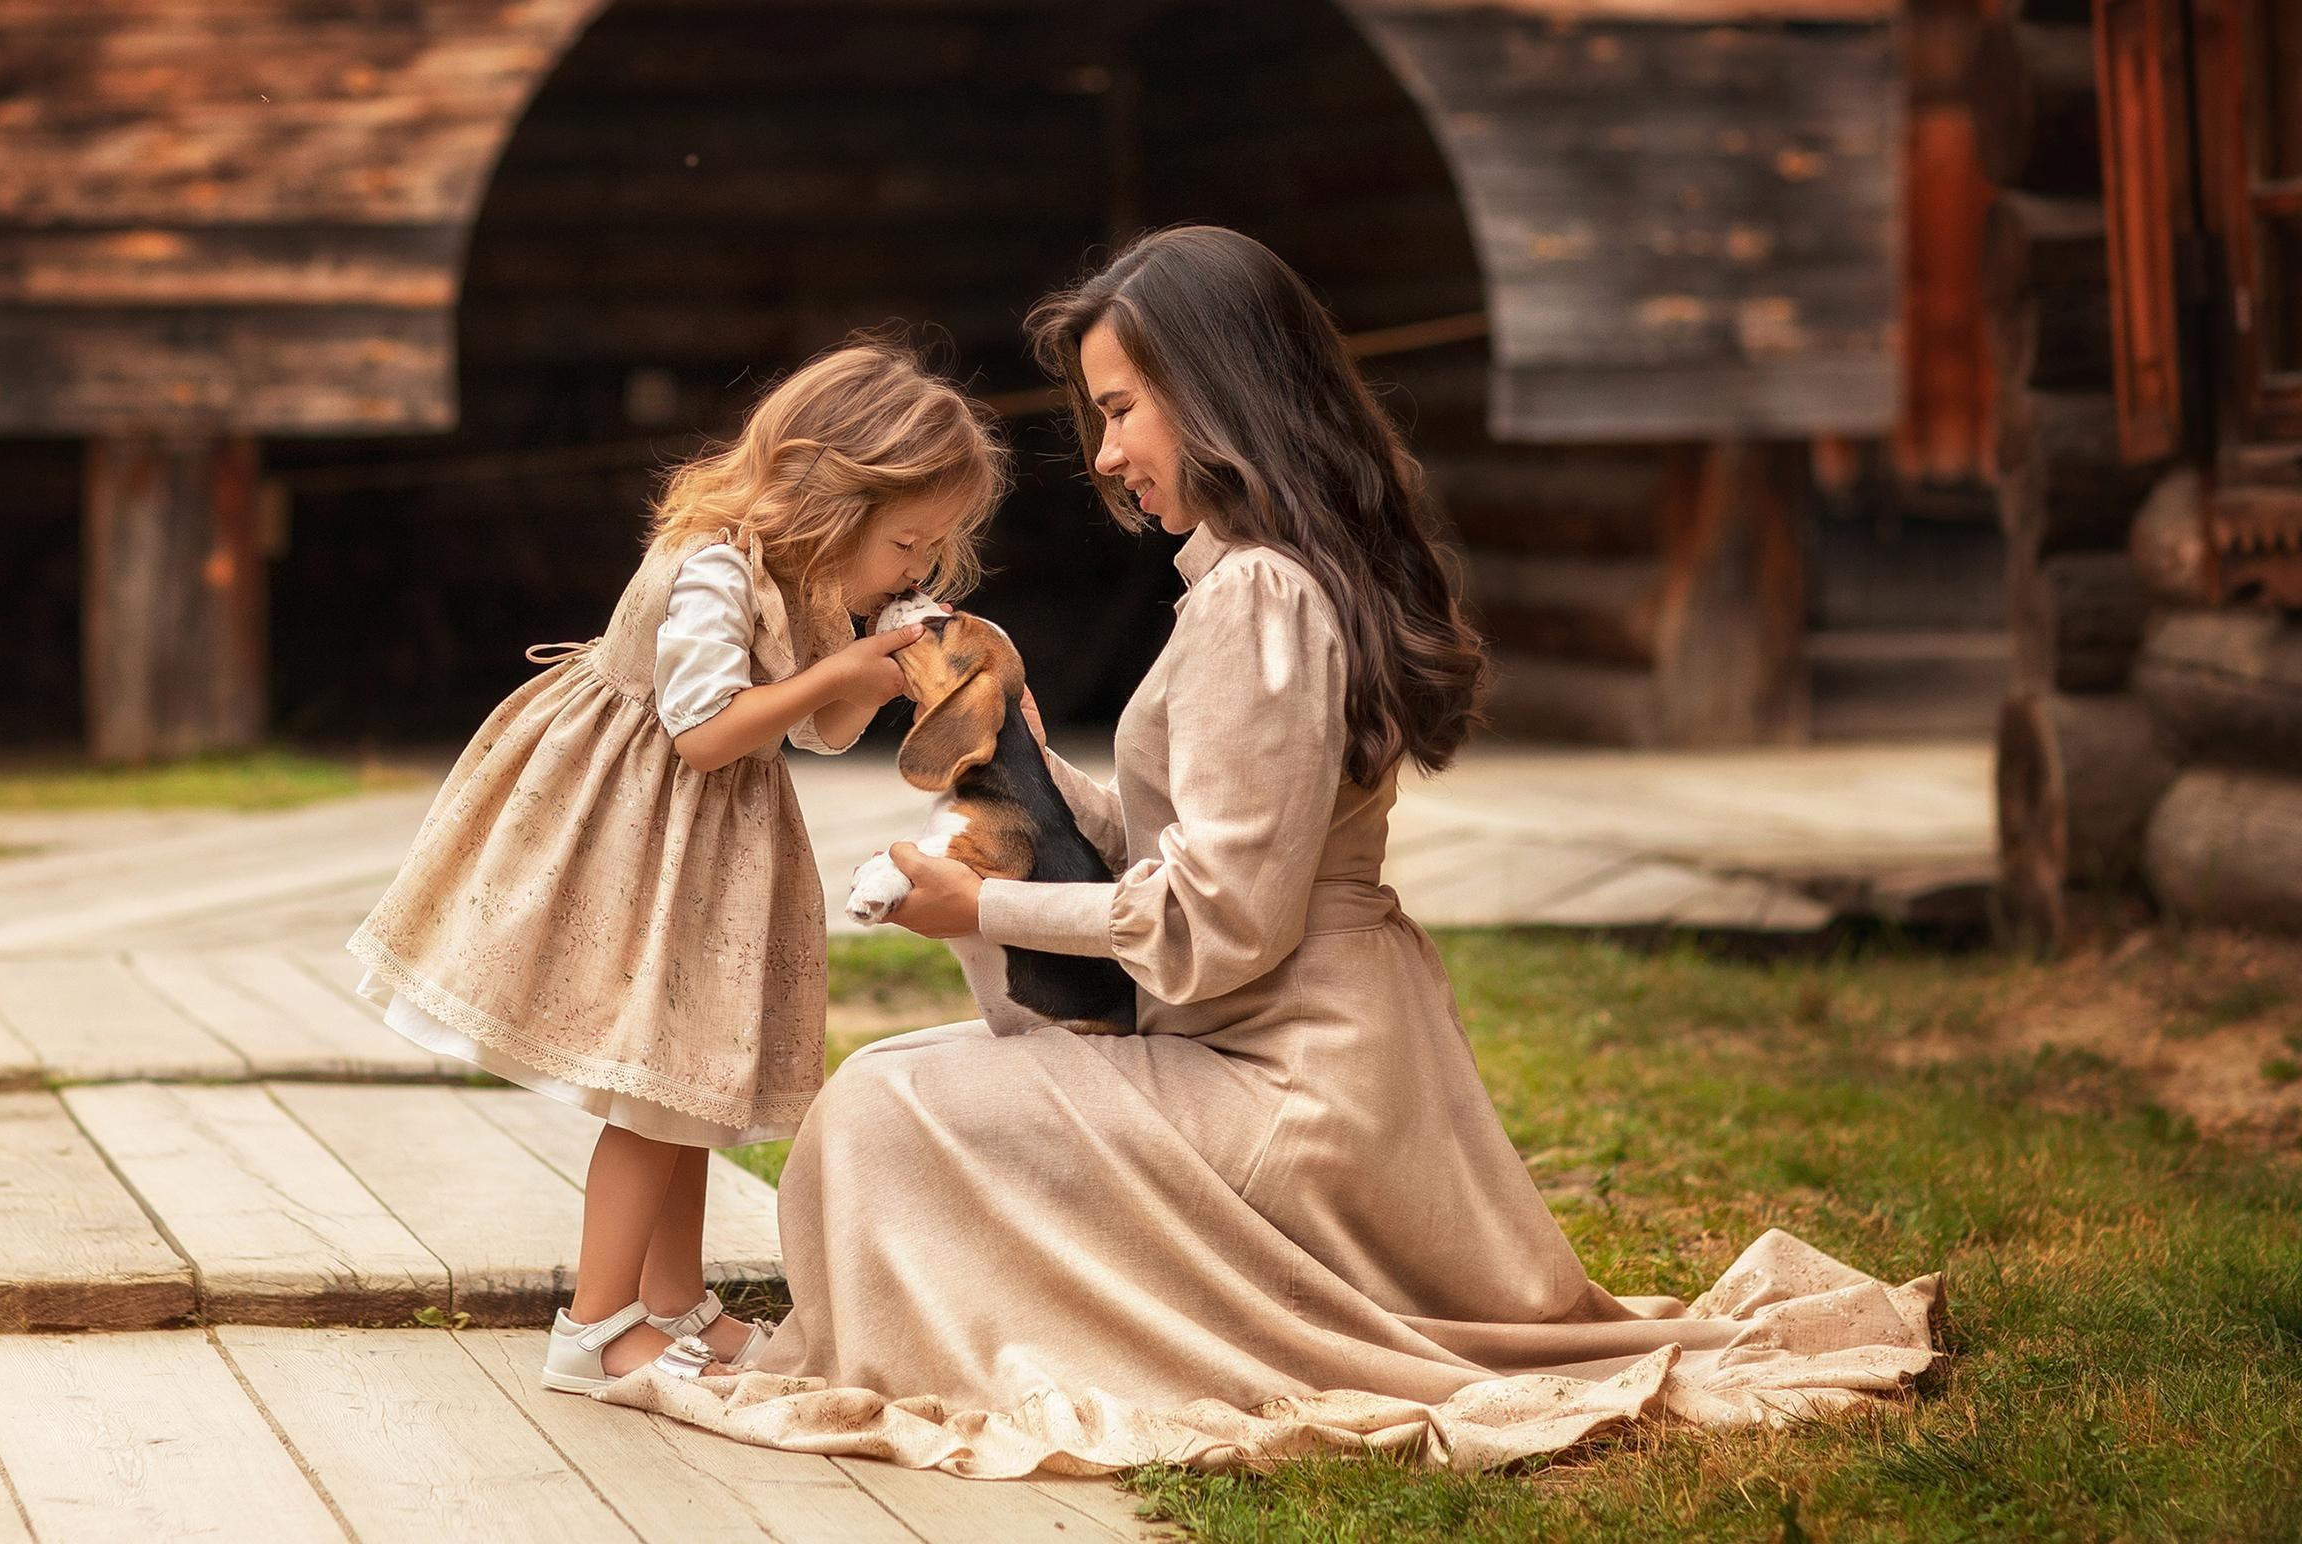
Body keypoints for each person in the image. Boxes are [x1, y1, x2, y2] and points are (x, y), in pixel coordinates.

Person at [608, 229, 1938, 1475]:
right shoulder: (1274, 580)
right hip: (1314, 1053)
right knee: (892, 1087)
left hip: (1297, 1084)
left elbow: (1221, 923)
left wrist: (990, 905)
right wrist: (1007, 748)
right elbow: (1216, 837)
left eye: (1121, 409)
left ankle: (1065, 1344)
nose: (1109, 452)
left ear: (1217, 390)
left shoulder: (1258, 598)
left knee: (881, 1119)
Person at [347, 340, 1009, 1390]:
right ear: (831, 494)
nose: (915, 570)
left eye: (929, 549)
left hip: (708, 842)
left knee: (690, 1077)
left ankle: (671, 1300)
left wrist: (877, 677)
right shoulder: (711, 561)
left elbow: (819, 732)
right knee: (647, 1090)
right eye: (905, 542)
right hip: (635, 829)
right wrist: (837, 666)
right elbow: (703, 729)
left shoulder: (799, 577)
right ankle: (596, 1325)